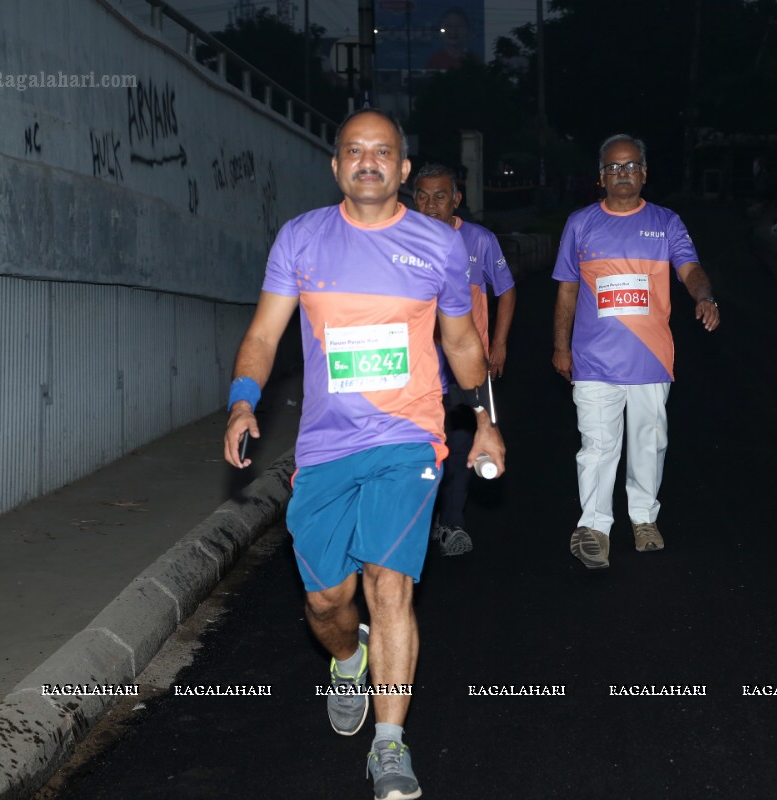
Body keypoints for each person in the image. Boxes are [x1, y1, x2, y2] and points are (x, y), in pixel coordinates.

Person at [223, 108, 504, 800]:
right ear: (337, 165)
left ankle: (389, 746)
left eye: (383, 152)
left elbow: (463, 343)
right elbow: (264, 333)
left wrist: (488, 421)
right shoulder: (301, 240)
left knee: (389, 586)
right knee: (328, 603)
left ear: (403, 169)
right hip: (324, 449)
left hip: (407, 441)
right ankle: (348, 661)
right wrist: (241, 399)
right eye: (355, 151)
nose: (369, 161)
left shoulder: (436, 246)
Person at [552, 134, 720, 569]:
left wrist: (705, 297)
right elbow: (567, 291)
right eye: (613, 167)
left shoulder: (666, 222)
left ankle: (644, 518)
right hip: (592, 360)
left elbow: (690, 269)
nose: (622, 174)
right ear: (600, 176)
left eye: (630, 167)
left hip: (650, 359)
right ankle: (593, 528)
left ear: (644, 174)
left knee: (649, 443)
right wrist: (560, 347)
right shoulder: (580, 223)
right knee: (597, 445)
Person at [413, 163, 517, 555]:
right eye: (422, 195)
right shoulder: (403, 241)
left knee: (461, 448)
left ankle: (452, 523)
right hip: (419, 369)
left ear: (456, 199)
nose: (430, 204)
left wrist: (500, 344)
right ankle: (419, 523)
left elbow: (506, 291)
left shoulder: (480, 240)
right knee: (421, 449)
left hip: (466, 368)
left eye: (440, 196)